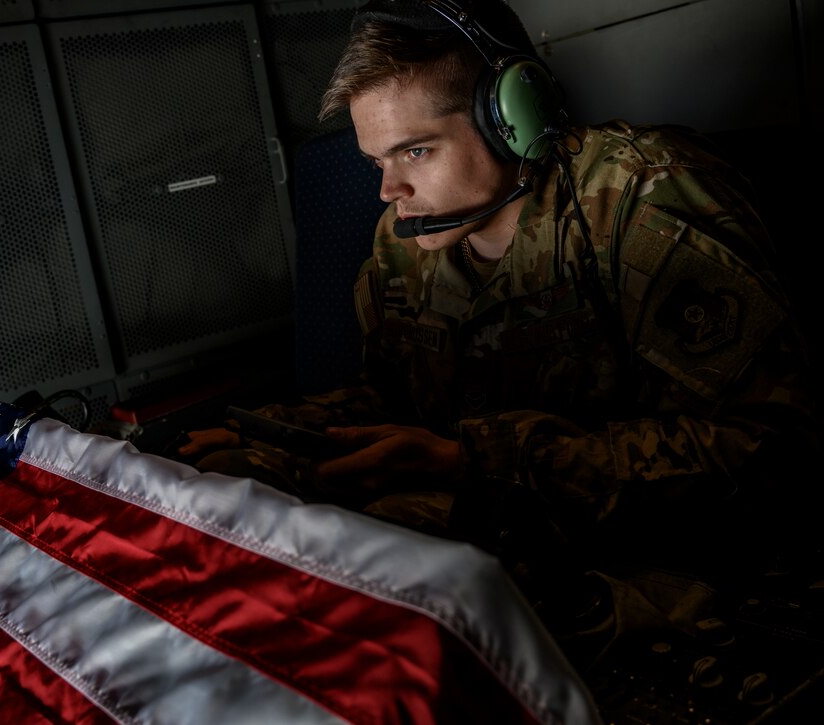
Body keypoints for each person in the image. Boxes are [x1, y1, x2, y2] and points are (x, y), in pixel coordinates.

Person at [178, 0, 819, 668]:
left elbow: (772, 453)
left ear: (514, 117)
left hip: (665, 558)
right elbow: (401, 401)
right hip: (504, 524)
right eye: (377, 164)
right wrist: (269, 445)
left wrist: (473, 460)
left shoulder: (643, 200)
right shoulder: (407, 241)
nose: (389, 190)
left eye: (416, 150)